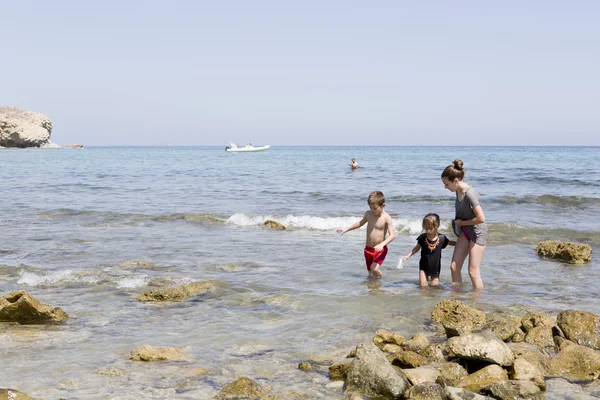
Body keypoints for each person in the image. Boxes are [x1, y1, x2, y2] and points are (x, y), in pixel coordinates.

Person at [441, 159, 488, 289]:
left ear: (455, 181)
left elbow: (481, 218)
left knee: (473, 272)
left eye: (446, 184)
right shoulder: (457, 191)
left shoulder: (470, 194)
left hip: (478, 233)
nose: (445, 187)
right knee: (454, 267)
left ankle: (478, 302)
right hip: (465, 231)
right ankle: (457, 296)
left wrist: (461, 222)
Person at [337, 191, 395, 277]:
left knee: (374, 269)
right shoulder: (368, 214)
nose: (372, 210)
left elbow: (392, 236)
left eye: (375, 208)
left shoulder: (386, 218)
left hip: (380, 250)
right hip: (368, 249)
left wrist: (382, 244)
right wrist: (346, 229)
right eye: (370, 207)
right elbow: (360, 223)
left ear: (383, 205)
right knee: (370, 273)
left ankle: (382, 279)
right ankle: (375, 287)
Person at [403, 213, 456, 287]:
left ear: (437, 226)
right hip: (423, 266)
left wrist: (460, 245)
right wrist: (408, 255)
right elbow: (416, 248)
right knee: (423, 286)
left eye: (430, 228)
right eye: (426, 228)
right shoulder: (422, 237)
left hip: (435, 268)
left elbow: (450, 242)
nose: (428, 231)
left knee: (435, 287)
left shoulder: (442, 238)